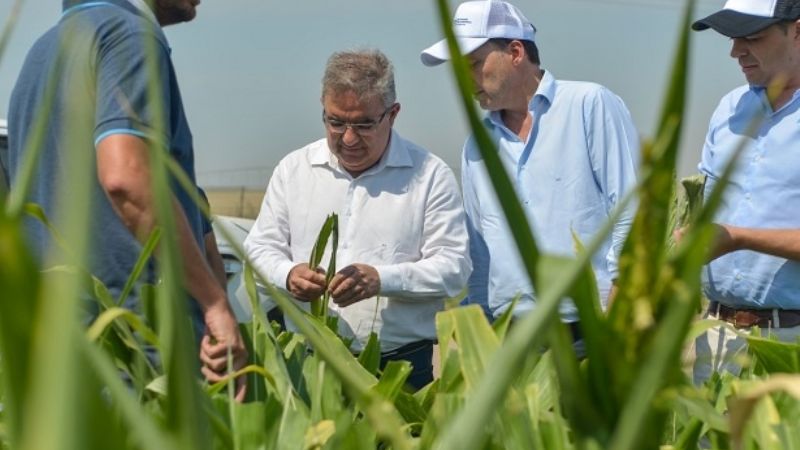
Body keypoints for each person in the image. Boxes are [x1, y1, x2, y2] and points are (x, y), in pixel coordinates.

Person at [7, 0, 247, 397]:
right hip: (132, 346)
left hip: (57, 344)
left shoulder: (43, 50)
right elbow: (126, 179)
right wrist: (215, 304)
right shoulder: (130, 35)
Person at [244, 49, 470, 390]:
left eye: (364, 124)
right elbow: (258, 248)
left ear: (393, 114)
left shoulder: (430, 175)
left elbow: (454, 269)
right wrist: (288, 274)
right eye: (336, 122)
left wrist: (382, 280)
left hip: (400, 369)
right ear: (322, 106)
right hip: (308, 363)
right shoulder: (294, 169)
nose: (348, 138)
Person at [420, 0, 639, 337]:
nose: (467, 81)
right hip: (511, 333)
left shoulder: (589, 105)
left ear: (516, 52)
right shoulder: (477, 147)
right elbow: (479, 249)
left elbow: (630, 209)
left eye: (474, 64)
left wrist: (621, 311)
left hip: (593, 326)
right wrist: (479, 332)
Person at [687, 0, 800, 384]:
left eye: (752, 37)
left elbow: (730, 233)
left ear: (797, 31)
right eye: (734, 38)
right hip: (716, 335)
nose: (736, 52)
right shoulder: (728, 109)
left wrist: (738, 238)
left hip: (791, 340)